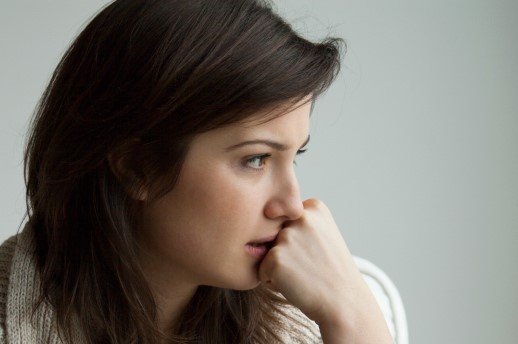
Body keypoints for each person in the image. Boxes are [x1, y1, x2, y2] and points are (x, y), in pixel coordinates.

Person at [0, 0, 393, 343]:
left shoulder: (305, 328)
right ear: (139, 168)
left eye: (295, 156)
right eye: (256, 159)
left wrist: (352, 316)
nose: (292, 206)